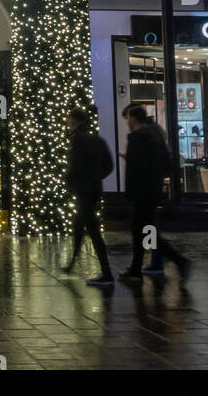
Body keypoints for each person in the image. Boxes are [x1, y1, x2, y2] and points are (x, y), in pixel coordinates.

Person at [121, 104, 190, 282]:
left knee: (141, 231)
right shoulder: (154, 135)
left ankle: (178, 260)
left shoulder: (138, 137)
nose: (127, 122)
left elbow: (138, 168)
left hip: (142, 192)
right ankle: (144, 266)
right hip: (151, 190)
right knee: (147, 230)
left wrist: (132, 188)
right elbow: (160, 164)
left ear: (133, 118)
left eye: (128, 118)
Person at [62, 106, 114, 286]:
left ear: (74, 121)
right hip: (94, 190)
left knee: (92, 231)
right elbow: (109, 165)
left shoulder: (77, 140)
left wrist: (70, 183)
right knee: (79, 225)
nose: (67, 122)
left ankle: (107, 273)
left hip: (83, 190)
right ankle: (71, 263)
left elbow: (74, 166)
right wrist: (96, 178)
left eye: (69, 119)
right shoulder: (97, 140)